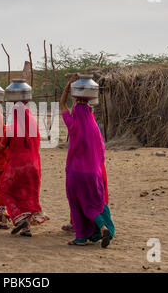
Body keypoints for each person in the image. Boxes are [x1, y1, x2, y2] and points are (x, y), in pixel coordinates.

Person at [60, 75, 115, 247]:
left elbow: (62, 105)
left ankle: (81, 238)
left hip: (76, 172)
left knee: (77, 204)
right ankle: (102, 226)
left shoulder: (72, 124)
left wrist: (68, 87)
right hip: (94, 173)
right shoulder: (94, 128)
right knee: (92, 204)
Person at [0, 102, 49, 237]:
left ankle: (20, 218)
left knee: (5, 189)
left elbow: (1, 146)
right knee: (27, 194)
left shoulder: (10, 128)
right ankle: (26, 227)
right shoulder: (34, 128)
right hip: (33, 166)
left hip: (16, 165)